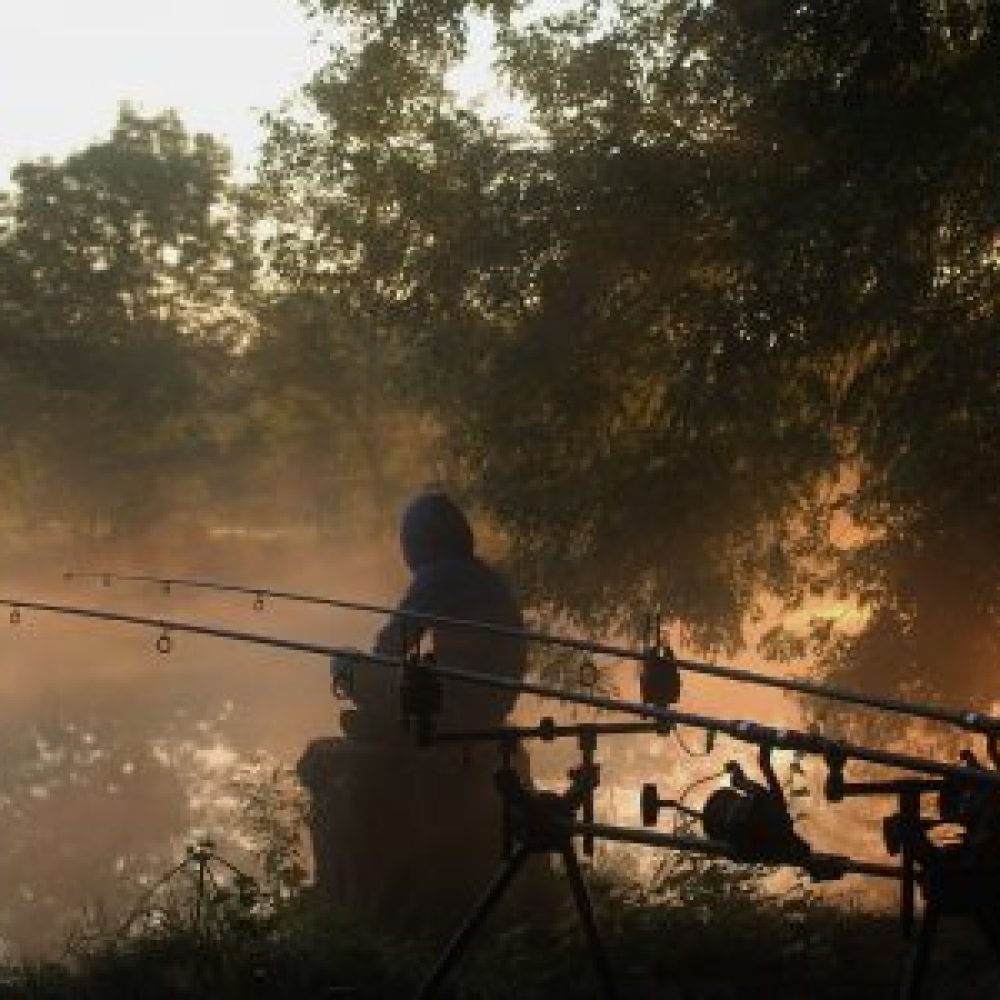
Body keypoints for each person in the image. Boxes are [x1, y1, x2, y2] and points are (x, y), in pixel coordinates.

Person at [297, 490, 537, 940]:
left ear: (419, 542)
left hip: (458, 710)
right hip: (491, 705)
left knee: (348, 662)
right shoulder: (485, 577)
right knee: (397, 683)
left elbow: (390, 646)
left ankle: (381, 723)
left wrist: (353, 671)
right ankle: (385, 722)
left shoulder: (438, 576)